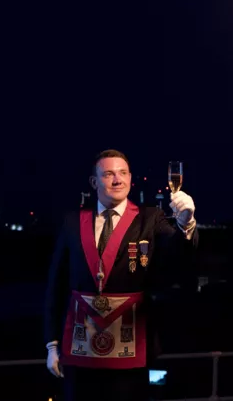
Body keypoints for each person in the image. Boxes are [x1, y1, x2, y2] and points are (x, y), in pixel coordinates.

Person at [44, 149, 198, 401]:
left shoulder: (151, 218)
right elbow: (55, 285)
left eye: (123, 173)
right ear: (94, 182)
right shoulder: (72, 222)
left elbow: (180, 257)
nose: (118, 180)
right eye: (108, 174)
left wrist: (186, 224)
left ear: (130, 178)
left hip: (132, 346)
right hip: (79, 346)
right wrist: (51, 343)